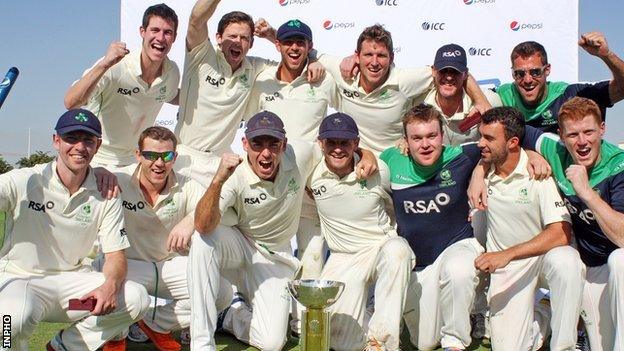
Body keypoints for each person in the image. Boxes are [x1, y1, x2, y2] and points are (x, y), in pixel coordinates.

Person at [188, 111, 376, 350]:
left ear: (284, 145)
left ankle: (229, 315)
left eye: (273, 144)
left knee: (272, 343)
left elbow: (337, 146)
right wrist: (217, 181)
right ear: (245, 144)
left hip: (276, 257)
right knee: (203, 239)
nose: (266, 153)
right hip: (239, 245)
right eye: (257, 144)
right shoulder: (233, 174)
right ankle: (202, 344)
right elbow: (203, 224)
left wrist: (367, 154)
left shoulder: (301, 153)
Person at [0, 109, 149, 351]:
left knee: (136, 298)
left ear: (97, 146)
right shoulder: (23, 180)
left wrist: (109, 287)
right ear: (56, 141)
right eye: (71, 138)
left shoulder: (106, 192)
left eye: (88, 140)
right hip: (21, 280)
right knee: (10, 323)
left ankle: (64, 346)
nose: (80, 146)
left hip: (73, 292)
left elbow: (115, 256)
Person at [247, 18, 338, 334]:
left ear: (310, 47)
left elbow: (345, 121)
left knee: (312, 253)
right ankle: (273, 310)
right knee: (277, 255)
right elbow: (252, 133)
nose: (295, 48)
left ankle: (303, 317)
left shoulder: (324, 80)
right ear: (278, 45)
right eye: (288, 42)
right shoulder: (262, 81)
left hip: (311, 186)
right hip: (272, 188)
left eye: (301, 43)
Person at [175, 0, 323, 187]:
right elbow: (196, 19)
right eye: (232, 36)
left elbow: (292, 56)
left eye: (244, 38)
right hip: (186, 157)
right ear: (219, 37)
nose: (238, 41)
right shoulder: (201, 56)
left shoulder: (254, 67)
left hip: (221, 163)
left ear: (251, 44)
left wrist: (311, 56)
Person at [516, 97, 624, 350]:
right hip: (592, 266)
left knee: (620, 260)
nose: (582, 142)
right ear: (561, 136)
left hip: (618, 266)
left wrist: (587, 193)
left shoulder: (618, 165)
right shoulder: (555, 149)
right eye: (573, 135)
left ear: (602, 130)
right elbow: (513, 129)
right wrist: (531, 153)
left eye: (589, 132)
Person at [473, 106, 584, 350]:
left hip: (542, 259)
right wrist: (477, 173)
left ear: (513, 142)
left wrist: (507, 254)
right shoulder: (482, 163)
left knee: (567, 261)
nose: (480, 143)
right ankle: (544, 310)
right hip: (508, 269)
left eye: (489, 138)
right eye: (480, 135)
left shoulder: (538, 170)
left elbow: (561, 233)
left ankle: (565, 344)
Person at [379, 104, 485, 351]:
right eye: (416, 138)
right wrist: (365, 155)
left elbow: (500, 144)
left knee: (459, 270)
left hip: (457, 246)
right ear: (404, 140)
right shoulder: (390, 160)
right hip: (419, 264)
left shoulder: (461, 156)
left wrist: (480, 170)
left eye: (431, 136)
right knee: (424, 343)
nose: (425, 144)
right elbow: (362, 161)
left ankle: (455, 343)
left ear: (443, 136)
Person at [95, 127, 208, 351]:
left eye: (166, 156)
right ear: (138, 155)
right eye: (150, 156)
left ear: (174, 157)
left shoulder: (187, 184)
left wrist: (191, 219)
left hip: (166, 266)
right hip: (126, 265)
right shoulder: (117, 179)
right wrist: (96, 170)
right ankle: (116, 336)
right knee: (112, 286)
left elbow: (215, 206)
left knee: (219, 292)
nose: (159, 163)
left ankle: (154, 323)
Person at [309, 113, 413, 351]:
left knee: (398, 252)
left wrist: (368, 155)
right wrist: (367, 153)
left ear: (355, 143)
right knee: (340, 342)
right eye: (331, 142)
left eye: (344, 142)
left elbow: (394, 206)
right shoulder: (311, 170)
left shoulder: (379, 169)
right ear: (320, 143)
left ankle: (381, 343)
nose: (337, 149)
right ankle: (369, 312)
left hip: (380, 247)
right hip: (343, 255)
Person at [317, 24, 491, 155]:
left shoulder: (405, 80)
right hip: (357, 157)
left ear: (391, 57)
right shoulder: (343, 71)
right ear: (357, 56)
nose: (375, 62)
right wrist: (313, 62)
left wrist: (480, 101)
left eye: (382, 55)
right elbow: (308, 52)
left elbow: (449, 72)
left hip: (396, 159)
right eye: (368, 54)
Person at [64, 4, 180, 168]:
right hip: (99, 157)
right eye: (155, 30)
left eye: (167, 32)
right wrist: (104, 64)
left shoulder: (172, 72)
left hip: (137, 159)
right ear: (142, 31)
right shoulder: (115, 65)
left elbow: (173, 95)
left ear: (174, 37)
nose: (160, 38)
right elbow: (71, 102)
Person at [497, 33, 624, 133]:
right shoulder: (503, 96)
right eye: (520, 74)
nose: (527, 80)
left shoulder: (568, 95)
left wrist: (606, 55)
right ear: (513, 74)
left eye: (535, 72)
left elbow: (621, 89)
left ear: (547, 70)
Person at [425, 43, 502, 146]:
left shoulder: (490, 100)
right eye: (443, 70)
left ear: (465, 74)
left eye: (455, 71)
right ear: (434, 71)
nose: (449, 77)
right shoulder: (420, 101)